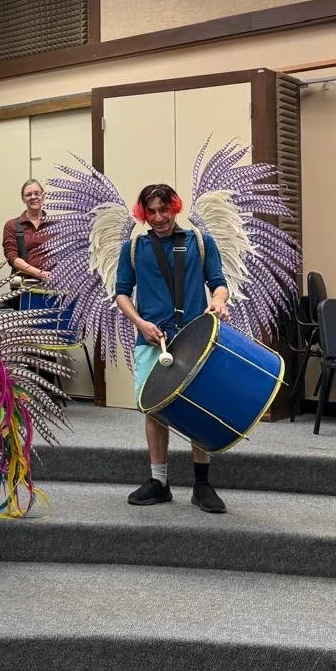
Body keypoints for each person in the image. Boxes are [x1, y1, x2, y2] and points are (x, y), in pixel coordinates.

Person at [115, 183, 230, 514]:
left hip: (194, 339)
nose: (159, 217)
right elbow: (122, 292)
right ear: (143, 213)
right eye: (151, 211)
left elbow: (218, 283)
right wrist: (140, 323)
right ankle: (159, 482)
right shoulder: (134, 248)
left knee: (198, 408)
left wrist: (219, 302)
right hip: (152, 340)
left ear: (175, 208)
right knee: (155, 411)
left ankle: (202, 484)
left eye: (164, 210)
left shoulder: (201, 243)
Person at [3, 178, 52, 287]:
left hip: (52, 285)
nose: (33, 197)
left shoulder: (55, 225)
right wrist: (40, 274)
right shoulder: (12, 225)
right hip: (24, 287)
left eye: (37, 193)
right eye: (28, 195)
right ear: (23, 199)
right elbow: (12, 258)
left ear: (43, 197)